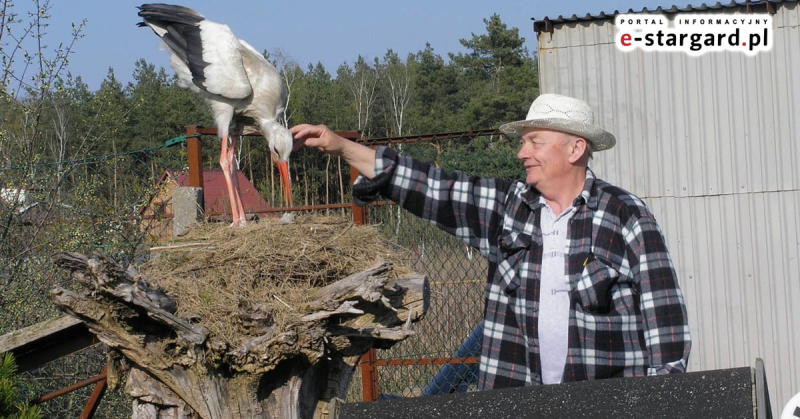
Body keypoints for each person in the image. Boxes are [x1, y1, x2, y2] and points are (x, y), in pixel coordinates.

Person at [291, 93, 691, 389]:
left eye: (535, 141)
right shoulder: (509, 208)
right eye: (523, 142)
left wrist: (659, 401)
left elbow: (664, 319)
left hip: (606, 405)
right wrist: (342, 147)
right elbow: (434, 187)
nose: (522, 153)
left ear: (575, 148)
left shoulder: (625, 215)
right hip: (514, 401)